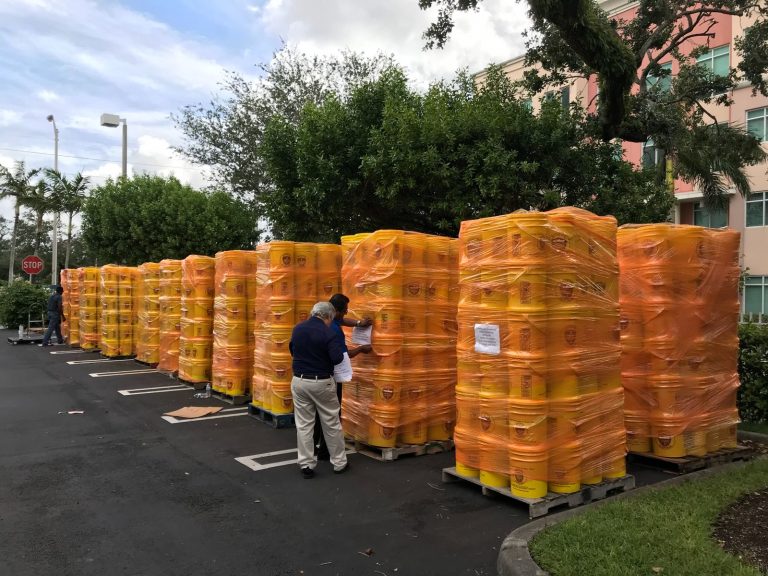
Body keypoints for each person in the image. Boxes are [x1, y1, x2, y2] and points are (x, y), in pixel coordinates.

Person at [289, 301, 348, 479]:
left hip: (299, 380)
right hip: (321, 381)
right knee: (331, 422)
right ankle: (339, 462)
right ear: (328, 316)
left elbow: (293, 350)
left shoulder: (298, 328)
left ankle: (306, 463)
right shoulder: (329, 332)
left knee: (304, 424)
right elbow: (337, 358)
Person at [314, 293, 372, 460]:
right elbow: (342, 355)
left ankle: (313, 447)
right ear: (337, 311)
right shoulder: (334, 332)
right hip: (331, 377)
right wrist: (361, 349)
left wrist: (360, 323)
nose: (347, 313)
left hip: (313, 376)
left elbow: (343, 321)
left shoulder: (325, 320)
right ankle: (326, 453)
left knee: (318, 414)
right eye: (345, 310)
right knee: (331, 415)